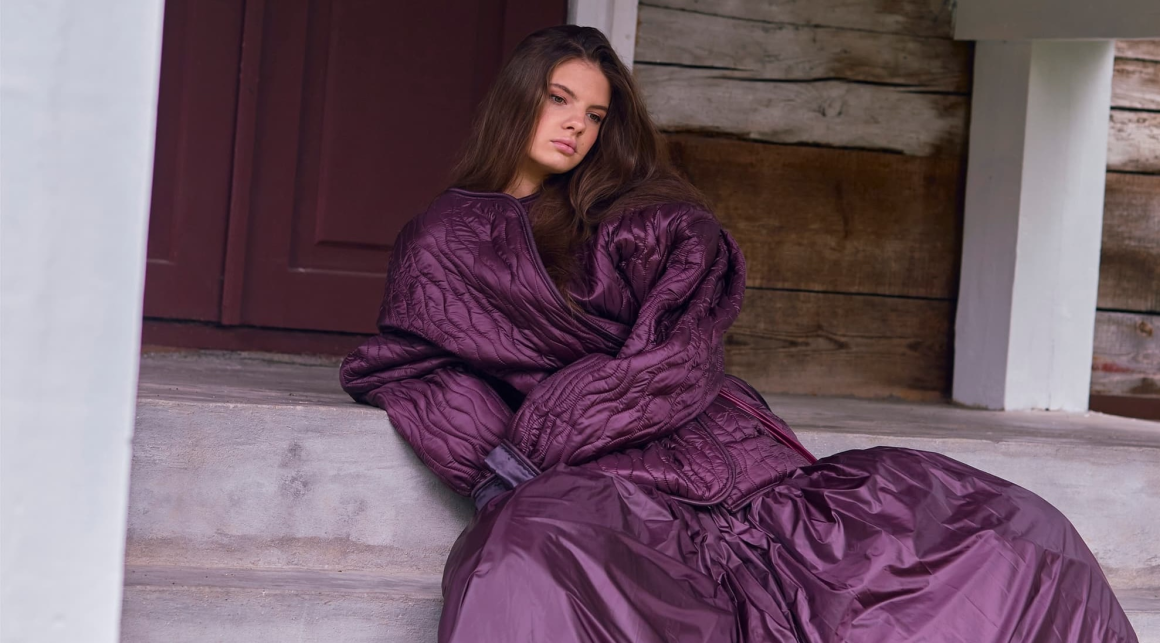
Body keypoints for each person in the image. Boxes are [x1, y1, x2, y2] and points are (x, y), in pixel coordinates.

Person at [339, 25, 1137, 643]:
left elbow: (680, 349)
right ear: (516, 98)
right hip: (608, 484)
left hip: (725, 451)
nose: (576, 127)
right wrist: (503, 468)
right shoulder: (440, 239)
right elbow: (411, 365)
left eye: (593, 114)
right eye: (558, 99)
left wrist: (542, 436)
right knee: (524, 564)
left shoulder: (628, 213)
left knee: (1006, 531)